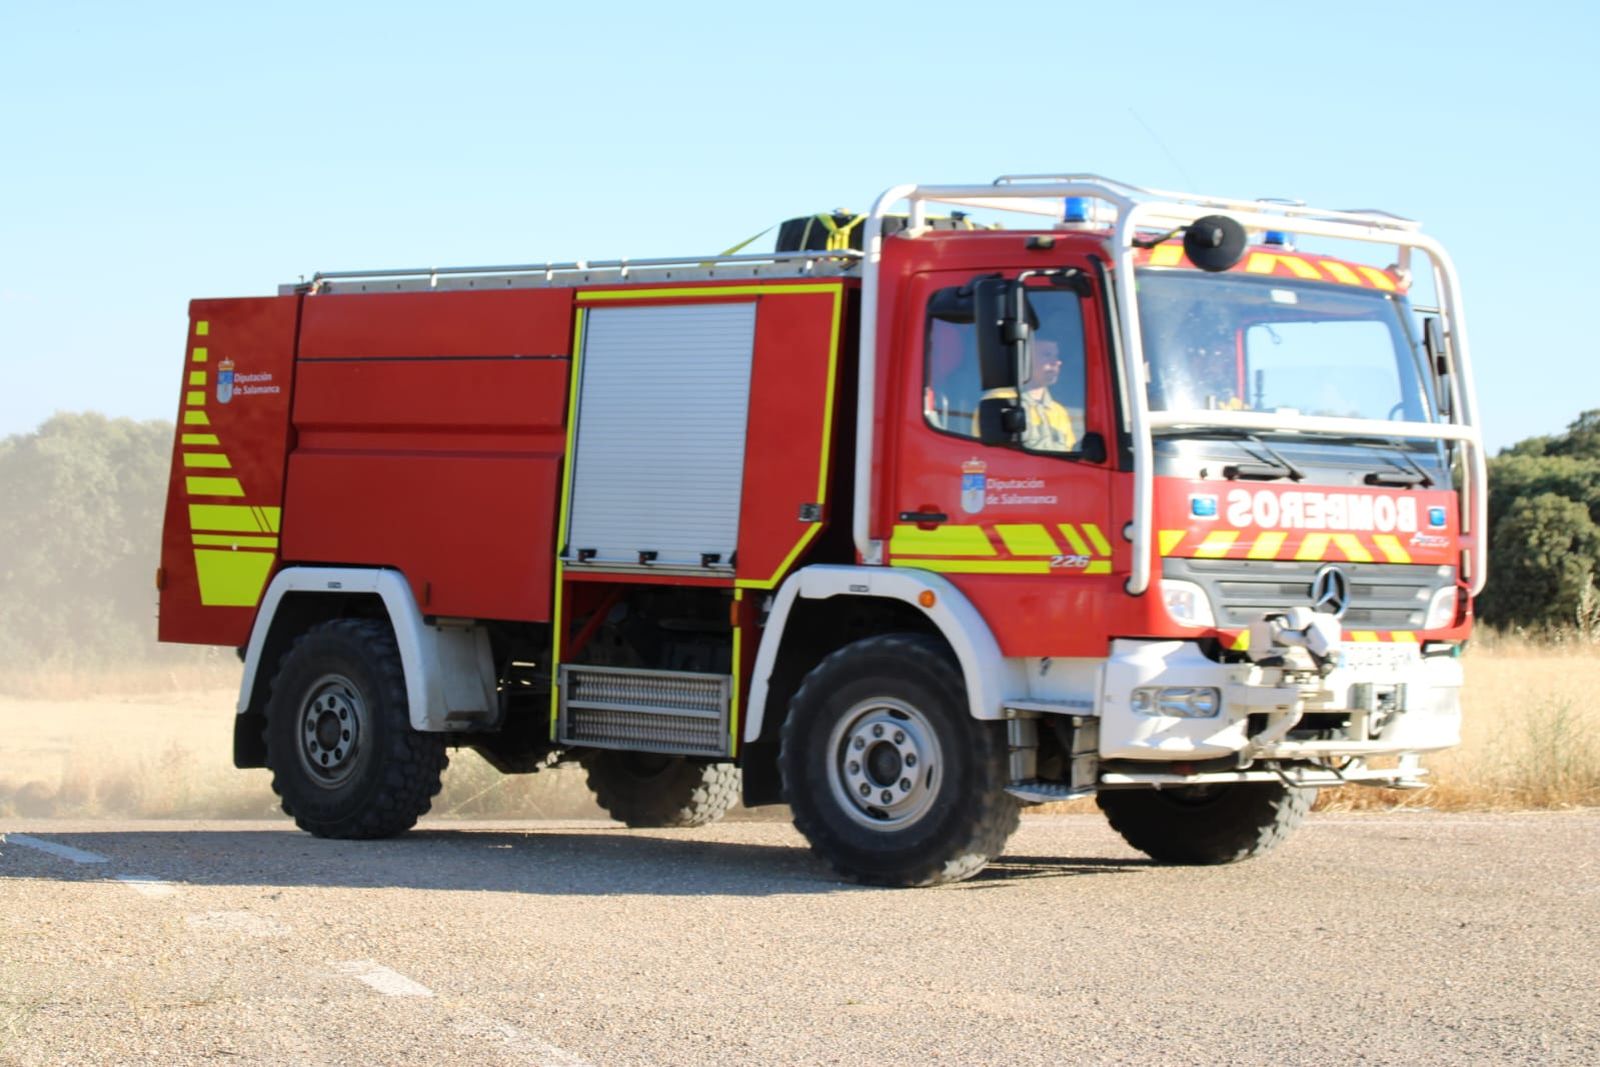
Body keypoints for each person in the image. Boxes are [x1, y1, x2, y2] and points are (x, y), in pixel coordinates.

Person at [1019, 339, 1077, 452]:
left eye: (1056, 356)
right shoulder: (1000, 402)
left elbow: (1071, 455)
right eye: (1046, 355)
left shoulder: (1059, 412)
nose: (1057, 362)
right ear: (1025, 360)